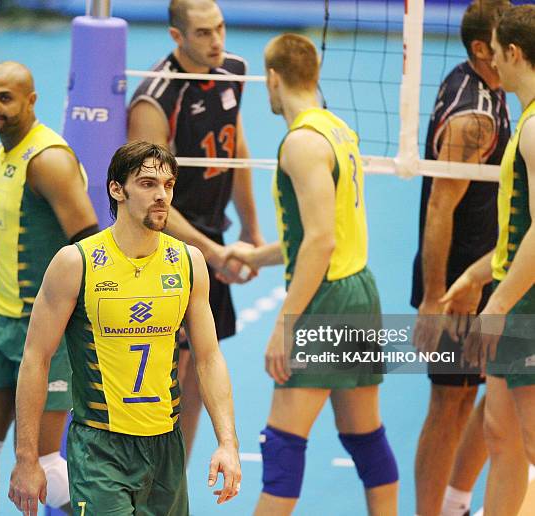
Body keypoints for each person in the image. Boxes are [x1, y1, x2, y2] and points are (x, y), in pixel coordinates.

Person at [8, 141, 241, 515]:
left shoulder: (188, 262)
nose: (161, 195)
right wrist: (26, 458)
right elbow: (36, 358)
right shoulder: (76, 263)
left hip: (165, 448)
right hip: (101, 447)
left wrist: (227, 442)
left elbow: (209, 358)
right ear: (117, 189)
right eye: (148, 184)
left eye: (168, 185)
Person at [227, 34, 398, 515]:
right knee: (364, 437)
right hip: (358, 289)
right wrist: (259, 256)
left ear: (273, 79)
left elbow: (321, 242)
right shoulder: (337, 130)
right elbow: (326, 233)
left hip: (327, 300)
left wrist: (286, 324)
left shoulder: (300, 143)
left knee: (282, 446)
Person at [0, 61, 98, 515]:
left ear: (31, 100)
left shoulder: (49, 161)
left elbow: (89, 250)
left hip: (42, 331)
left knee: (43, 468)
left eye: (5, 98)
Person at [127, 0, 263, 459]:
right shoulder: (156, 98)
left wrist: (251, 228)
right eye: (203, 33)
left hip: (210, 239)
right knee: (168, 375)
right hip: (164, 247)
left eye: (220, 29)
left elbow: (237, 147)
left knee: (195, 377)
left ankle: (174, 486)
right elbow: (149, 203)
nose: (217, 41)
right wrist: (210, 251)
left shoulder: (234, 71)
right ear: (176, 37)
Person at [410, 1, 511, 514]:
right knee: (448, 405)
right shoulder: (474, 116)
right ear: (481, 48)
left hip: (487, 272)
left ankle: (453, 504)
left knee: (483, 395)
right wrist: (432, 299)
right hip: (457, 283)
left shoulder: (491, 86)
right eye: (504, 35)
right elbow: (439, 206)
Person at [440, 5, 535, 514]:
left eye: (496, 53)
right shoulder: (527, 118)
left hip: (527, 304)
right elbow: (520, 228)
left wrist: (497, 304)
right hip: (516, 293)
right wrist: (479, 273)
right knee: (502, 436)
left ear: (513, 53)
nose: (491, 63)